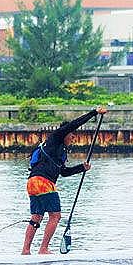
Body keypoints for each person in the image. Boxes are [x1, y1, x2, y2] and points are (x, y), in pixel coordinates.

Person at [22, 105, 108, 255]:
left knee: (36, 217)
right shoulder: (55, 138)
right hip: (43, 183)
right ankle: (43, 249)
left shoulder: (60, 152)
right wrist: (94, 112)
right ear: (66, 134)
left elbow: (64, 173)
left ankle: (26, 251)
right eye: (72, 135)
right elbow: (75, 123)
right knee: (55, 216)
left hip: (32, 183)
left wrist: (82, 168)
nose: (74, 139)